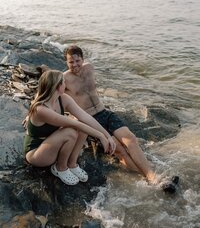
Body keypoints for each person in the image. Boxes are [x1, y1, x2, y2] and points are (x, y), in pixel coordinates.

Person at [63, 45, 159, 185]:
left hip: (105, 113)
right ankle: (149, 179)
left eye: (78, 61)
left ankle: (152, 177)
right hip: (90, 120)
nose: (75, 65)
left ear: (83, 59)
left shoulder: (89, 68)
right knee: (120, 150)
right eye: (71, 62)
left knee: (130, 139)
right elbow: (46, 94)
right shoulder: (64, 78)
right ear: (66, 62)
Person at [24, 70, 116, 186]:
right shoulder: (41, 110)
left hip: (53, 145)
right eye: (63, 82)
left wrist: (108, 136)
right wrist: (100, 136)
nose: (65, 84)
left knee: (81, 127)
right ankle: (60, 167)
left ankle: (71, 164)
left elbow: (86, 118)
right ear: (57, 86)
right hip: (37, 154)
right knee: (70, 132)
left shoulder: (63, 99)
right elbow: (75, 124)